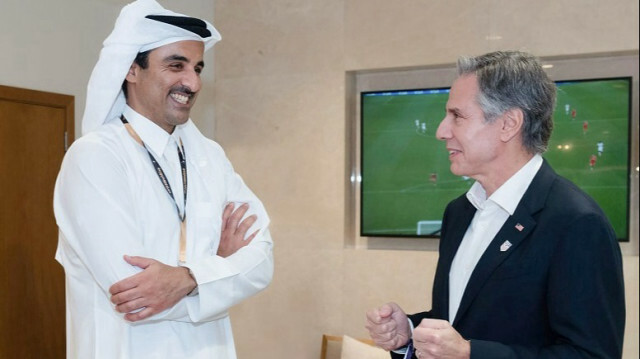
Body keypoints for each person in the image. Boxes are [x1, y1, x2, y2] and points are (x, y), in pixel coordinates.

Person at [366, 51, 625, 359]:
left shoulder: (576, 222)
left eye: (457, 116)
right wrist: (408, 332)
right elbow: (466, 320)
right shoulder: (459, 212)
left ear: (508, 124)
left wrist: (470, 354)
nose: (441, 131)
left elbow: (592, 355)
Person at [53, 1, 274, 358]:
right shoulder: (95, 157)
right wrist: (221, 271)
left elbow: (262, 261)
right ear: (131, 70)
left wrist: (186, 279)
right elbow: (135, 297)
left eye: (198, 68)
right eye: (176, 65)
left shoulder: (209, 156)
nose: (193, 82)